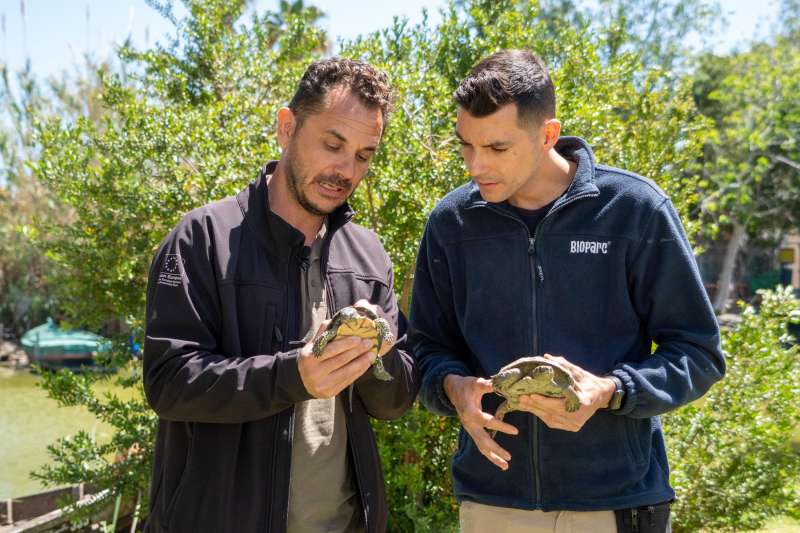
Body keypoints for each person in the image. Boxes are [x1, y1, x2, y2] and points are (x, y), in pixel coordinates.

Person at [409, 49, 725, 533]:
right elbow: (426, 349)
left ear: (547, 135)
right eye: (465, 146)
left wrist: (611, 391)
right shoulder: (451, 224)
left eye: (496, 148)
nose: (475, 165)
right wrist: (454, 389)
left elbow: (698, 353)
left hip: (615, 502)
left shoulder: (635, 211)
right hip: (492, 500)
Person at [143, 57, 418, 533]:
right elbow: (168, 381)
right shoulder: (203, 238)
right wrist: (295, 375)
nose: (346, 169)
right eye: (333, 144)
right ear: (287, 128)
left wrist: (377, 356)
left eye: (364, 154)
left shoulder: (369, 254)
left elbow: (394, 401)